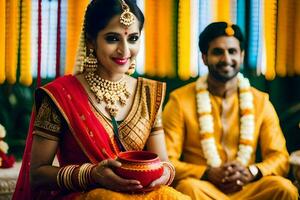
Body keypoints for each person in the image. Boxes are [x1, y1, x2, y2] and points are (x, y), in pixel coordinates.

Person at [13, 0, 190, 199]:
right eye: (113, 39)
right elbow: (37, 174)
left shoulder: (149, 93)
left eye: (133, 38)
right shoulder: (60, 96)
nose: (124, 51)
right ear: (90, 41)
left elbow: (164, 162)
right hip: (87, 193)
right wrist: (92, 174)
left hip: (142, 193)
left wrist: (164, 174)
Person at [162, 21, 299, 200]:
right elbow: (167, 160)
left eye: (232, 51)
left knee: (284, 188)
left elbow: (279, 157)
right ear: (204, 57)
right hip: (204, 188)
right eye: (218, 52)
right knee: (188, 188)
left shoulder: (260, 101)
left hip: (248, 188)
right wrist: (207, 172)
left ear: (241, 56)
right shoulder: (179, 101)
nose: (226, 59)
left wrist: (252, 171)